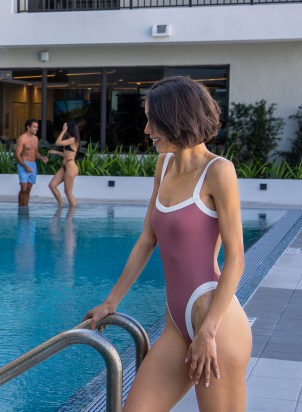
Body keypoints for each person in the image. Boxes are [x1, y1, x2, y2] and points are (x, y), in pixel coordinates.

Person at [83, 77, 251, 412]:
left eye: (152, 120)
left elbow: (236, 259)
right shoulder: (164, 164)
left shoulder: (219, 171)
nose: (146, 130)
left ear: (177, 118)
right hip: (177, 324)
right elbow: (148, 239)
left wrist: (208, 332)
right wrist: (111, 301)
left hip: (216, 324)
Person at [49, 122, 81, 208]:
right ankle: (61, 205)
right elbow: (67, 154)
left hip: (71, 167)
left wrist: (63, 131)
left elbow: (58, 143)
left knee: (68, 192)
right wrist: (55, 152)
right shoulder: (70, 139)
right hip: (66, 166)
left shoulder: (73, 139)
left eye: (66, 127)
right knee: (52, 185)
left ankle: (72, 214)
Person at [13, 120, 40, 206]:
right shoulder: (22, 139)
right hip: (24, 164)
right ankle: (20, 208)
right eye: (34, 127)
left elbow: (35, 152)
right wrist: (25, 167)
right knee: (23, 188)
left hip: (33, 165)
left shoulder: (35, 139)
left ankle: (25, 207)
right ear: (28, 127)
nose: (36, 129)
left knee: (28, 189)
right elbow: (17, 155)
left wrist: (42, 158)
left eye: (37, 127)